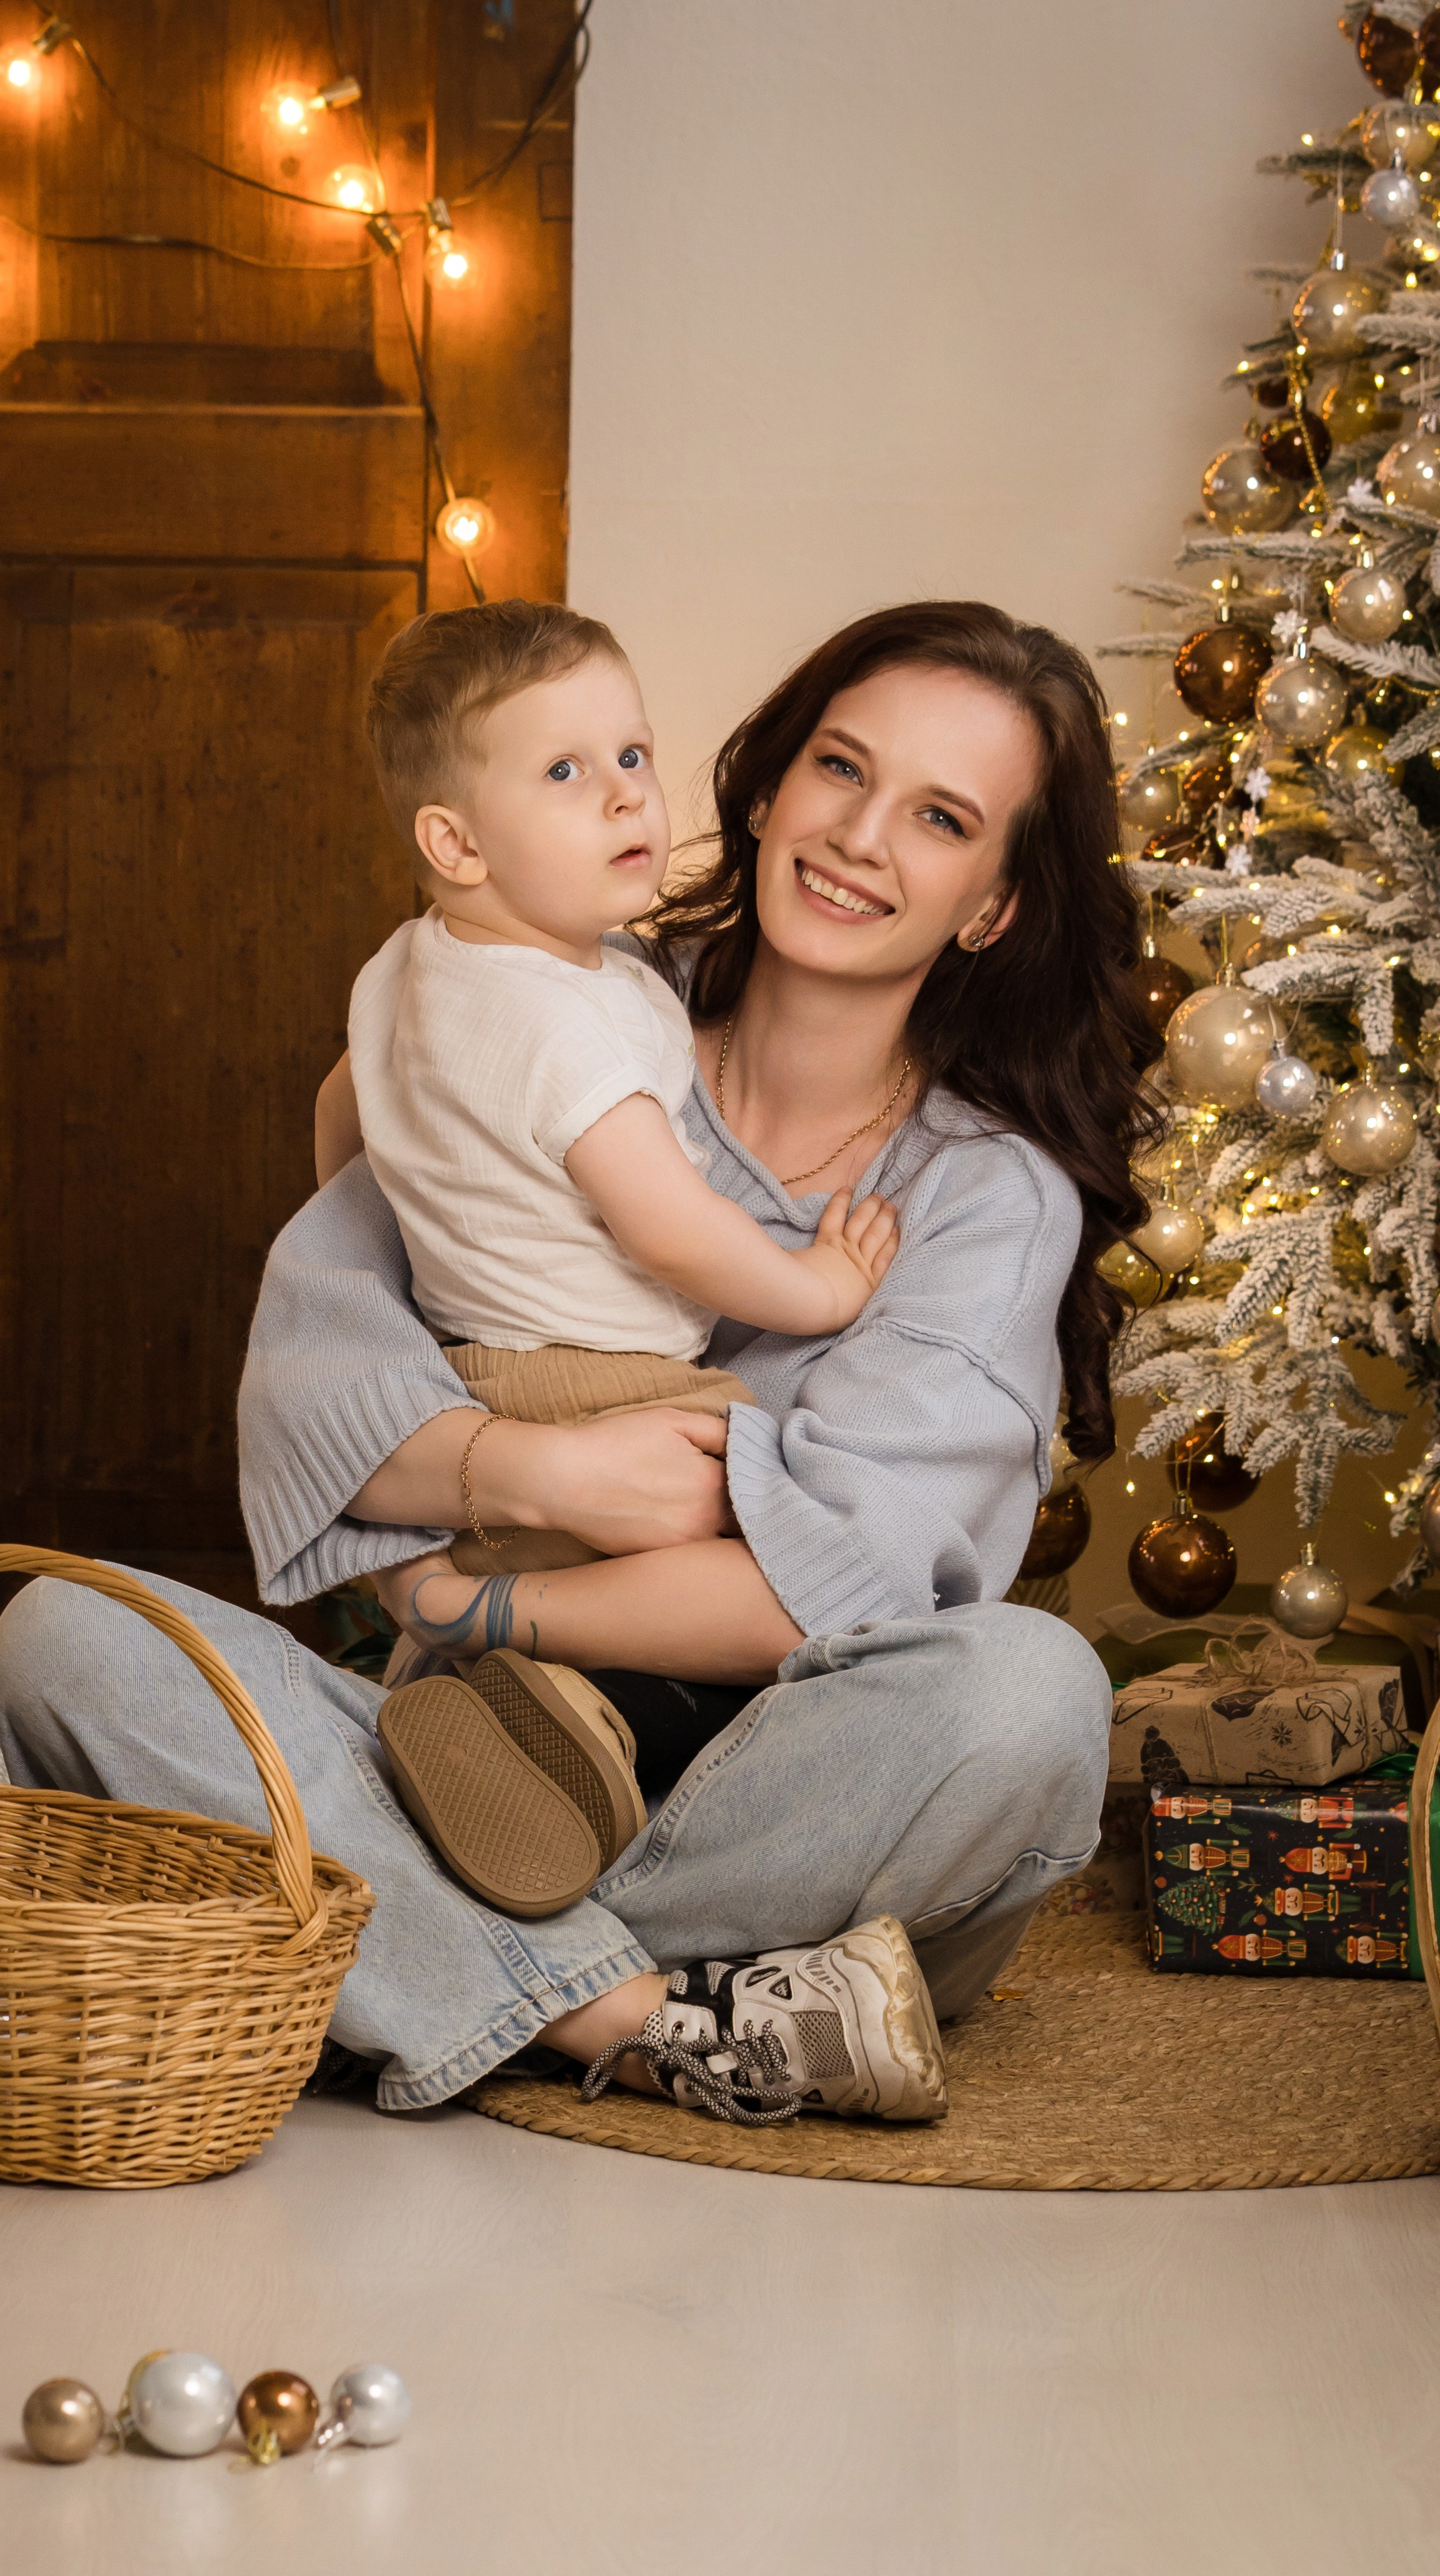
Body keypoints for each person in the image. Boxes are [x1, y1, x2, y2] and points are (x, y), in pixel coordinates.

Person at [0, 599, 1159, 2133]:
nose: (859, 837)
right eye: (838, 769)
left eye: (937, 818)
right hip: (459, 1768)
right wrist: (523, 1470)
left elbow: (833, 1592)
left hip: (779, 1816)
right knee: (64, 1632)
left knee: (1029, 1697)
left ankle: (394, 1952)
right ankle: (639, 2017)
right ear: (762, 786)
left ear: (992, 904)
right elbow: (321, 1377)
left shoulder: (981, 1196)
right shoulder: (529, 991)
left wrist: (473, 1595)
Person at [321, 598, 898, 1927]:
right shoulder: (564, 1030)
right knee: (785, 1543)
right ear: (454, 841)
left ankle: (486, 1714)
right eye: (565, 775)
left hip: (473, 1367)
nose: (624, 798)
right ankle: (513, 1670)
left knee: (575, 1573)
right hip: (606, 1386)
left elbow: (338, 1116)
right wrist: (816, 1288)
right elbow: (662, 1226)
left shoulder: (411, 970)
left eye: (630, 755)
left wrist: (416, 1249)